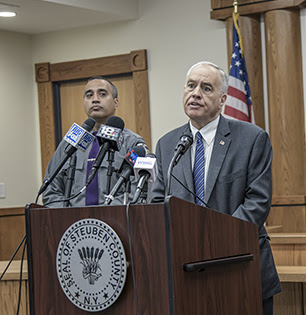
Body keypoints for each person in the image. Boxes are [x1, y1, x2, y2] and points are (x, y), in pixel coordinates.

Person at [150, 61, 281, 314]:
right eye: (191, 85)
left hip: (240, 267)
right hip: (186, 273)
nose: (196, 93)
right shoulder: (167, 144)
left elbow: (257, 204)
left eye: (206, 88)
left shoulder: (252, 139)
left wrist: (214, 243)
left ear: (222, 100)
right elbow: (157, 205)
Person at [42, 76, 146, 207]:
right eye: (89, 95)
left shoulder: (132, 142)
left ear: (115, 102)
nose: (95, 99)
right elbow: (51, 190)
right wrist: (69, 215)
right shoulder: (71, 141)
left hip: (115, 222)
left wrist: (104, 214)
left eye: (102, 94)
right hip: (74, 223)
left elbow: (139, 191)